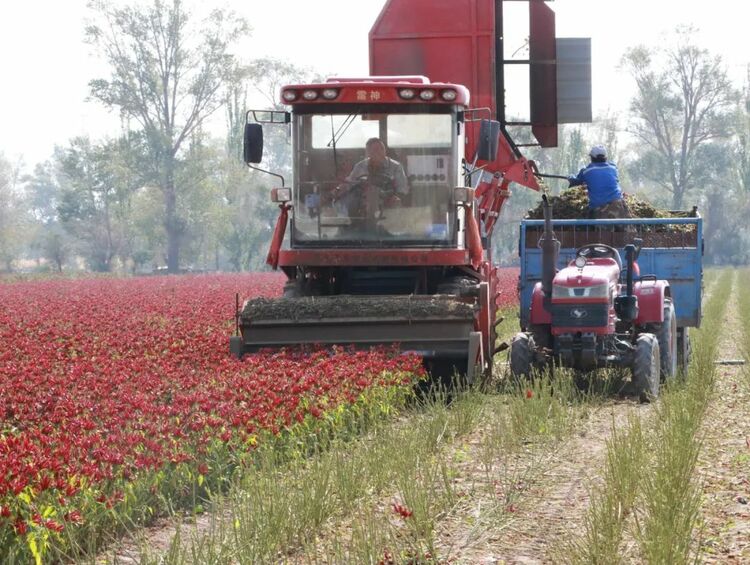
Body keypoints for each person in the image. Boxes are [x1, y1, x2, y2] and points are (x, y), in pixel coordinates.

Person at [333, 138, 408, 217]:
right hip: (362, 203)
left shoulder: (396, 167)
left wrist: (396, 196)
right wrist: (338, 189)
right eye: (375, 149)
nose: (379, 152)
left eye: (382, 148)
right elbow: (350, 182)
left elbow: (403, 188)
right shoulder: (360, 166)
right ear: (368, 152)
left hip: (387, 203)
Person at [568, 145, 630, 218]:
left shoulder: (587, 171)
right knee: (627, 228)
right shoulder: (613, 168)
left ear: (592, 158)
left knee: (601, 227)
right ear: (605, 157)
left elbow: (576, 181)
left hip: (600, 209)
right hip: (619, 205)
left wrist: (570, 178)